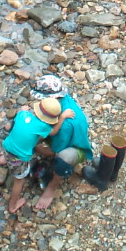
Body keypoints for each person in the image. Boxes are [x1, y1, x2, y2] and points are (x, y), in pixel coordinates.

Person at [0, 97, 73, 213]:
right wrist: (62, 117)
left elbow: (20, 116)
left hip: (7, 147)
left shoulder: (22, 114)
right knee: (18, 181)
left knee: (21, 140)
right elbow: (53, 132)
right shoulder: (42, 126)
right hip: (19, 158)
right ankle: (12, 205)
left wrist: (23, 109)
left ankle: (6, 159)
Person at [28, 75, 92, 211]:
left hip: (74, 146)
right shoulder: (59, 99)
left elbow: (54, 151)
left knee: (62, 159)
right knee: (30, 126)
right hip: (58, 131)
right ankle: (15, 151)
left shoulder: (65, 125)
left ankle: (52, 186)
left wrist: (36, 148)